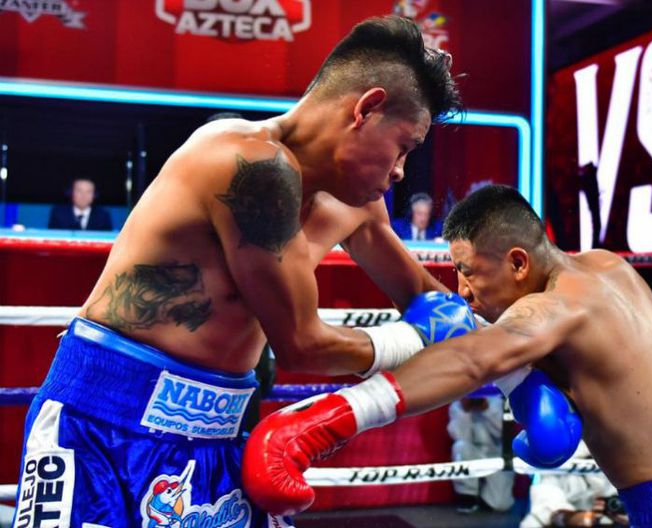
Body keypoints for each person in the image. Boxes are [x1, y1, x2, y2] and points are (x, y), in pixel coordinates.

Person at [13, 16, 476, 528]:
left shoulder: (359, 203)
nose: (400, 171)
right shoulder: (249, 163)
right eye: (403, 145)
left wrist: (520, 355)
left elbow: (434, 306)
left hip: (220, 436)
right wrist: (417, 340)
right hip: (103, 423)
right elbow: (302, 344)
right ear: (365, 109)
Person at [244, 185, 652, 527]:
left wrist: (325, 420)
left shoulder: (549, 312)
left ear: (516, 263)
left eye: (468, 271)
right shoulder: (608, 266)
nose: (462, 289)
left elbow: (471, 360)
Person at [447, 396, 514, 514]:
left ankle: (484, 495)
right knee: (460, 447)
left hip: (497, 454)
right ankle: (467, 495)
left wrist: (487, 410)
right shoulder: (457, 404)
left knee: (500, 504)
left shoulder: (499, 400)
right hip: (472, 452)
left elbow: (504, 433)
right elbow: (459, 436)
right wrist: (465, 411)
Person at [47, 177, 113, 230]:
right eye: (79, 191)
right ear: (71, 192)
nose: (83, 196)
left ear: (94, 195)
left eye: (88, 192)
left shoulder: (103, 216)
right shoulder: (58, 213)